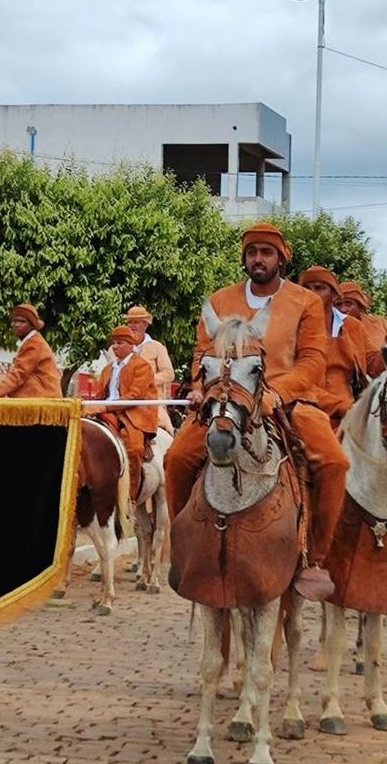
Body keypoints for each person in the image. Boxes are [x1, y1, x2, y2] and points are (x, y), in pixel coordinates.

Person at [165, 222, 347, 598]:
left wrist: (275, 394)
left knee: (334, 463)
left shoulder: (305, 302)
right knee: (177, 458)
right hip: (225, 402)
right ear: (244, 259)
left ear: (282, 258)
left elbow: (313, 360)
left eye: (266, 252)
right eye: (252, 252)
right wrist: (201, 388)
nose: (258, 259)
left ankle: (316, 557)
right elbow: (202, 355)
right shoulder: (219, 301)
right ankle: (181, 547)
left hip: (289, 400)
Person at [91, 325, 157, 497]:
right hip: (107, 412)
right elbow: (99, 395)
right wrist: (92, 406)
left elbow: (135, 396)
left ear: (130, 345)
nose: (115, 346)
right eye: (114, 343)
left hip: (133, 414)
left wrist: (106, 406)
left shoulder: (142, 366)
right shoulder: (108, 369)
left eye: (119, 343)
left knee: (134, 448)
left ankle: (130, 496)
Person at [299, 267, 367, 427]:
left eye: (320, 288)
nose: (312, 293)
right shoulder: (291, 328)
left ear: (334, 295)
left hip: (352, 412)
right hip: (309, 412)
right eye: (307, 289)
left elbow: (375, 364)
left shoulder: (353, 326)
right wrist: (343, 407)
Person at [0, 304, 62, 399]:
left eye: (22, 321)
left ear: (32, 326)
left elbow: (17, 376)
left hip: (43, 399)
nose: (16, 325)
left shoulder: (34, 344)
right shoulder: (31, 341)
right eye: (14, 321)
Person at [123, 306, 176, 433]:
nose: (132, 326)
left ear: (145, 325)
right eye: (129, 322)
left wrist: (145, 380)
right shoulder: (117, 348)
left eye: (136, 322)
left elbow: (169, 374)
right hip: (122, 401)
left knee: (167, 429)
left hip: (151, 403)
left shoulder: (157, 347)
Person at [336, 281, 387, 377]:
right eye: (338, 304)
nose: (343, 309)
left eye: (348, 303)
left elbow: (374, 366)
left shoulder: (380, 323)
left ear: (360, 307)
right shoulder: (327, 329)